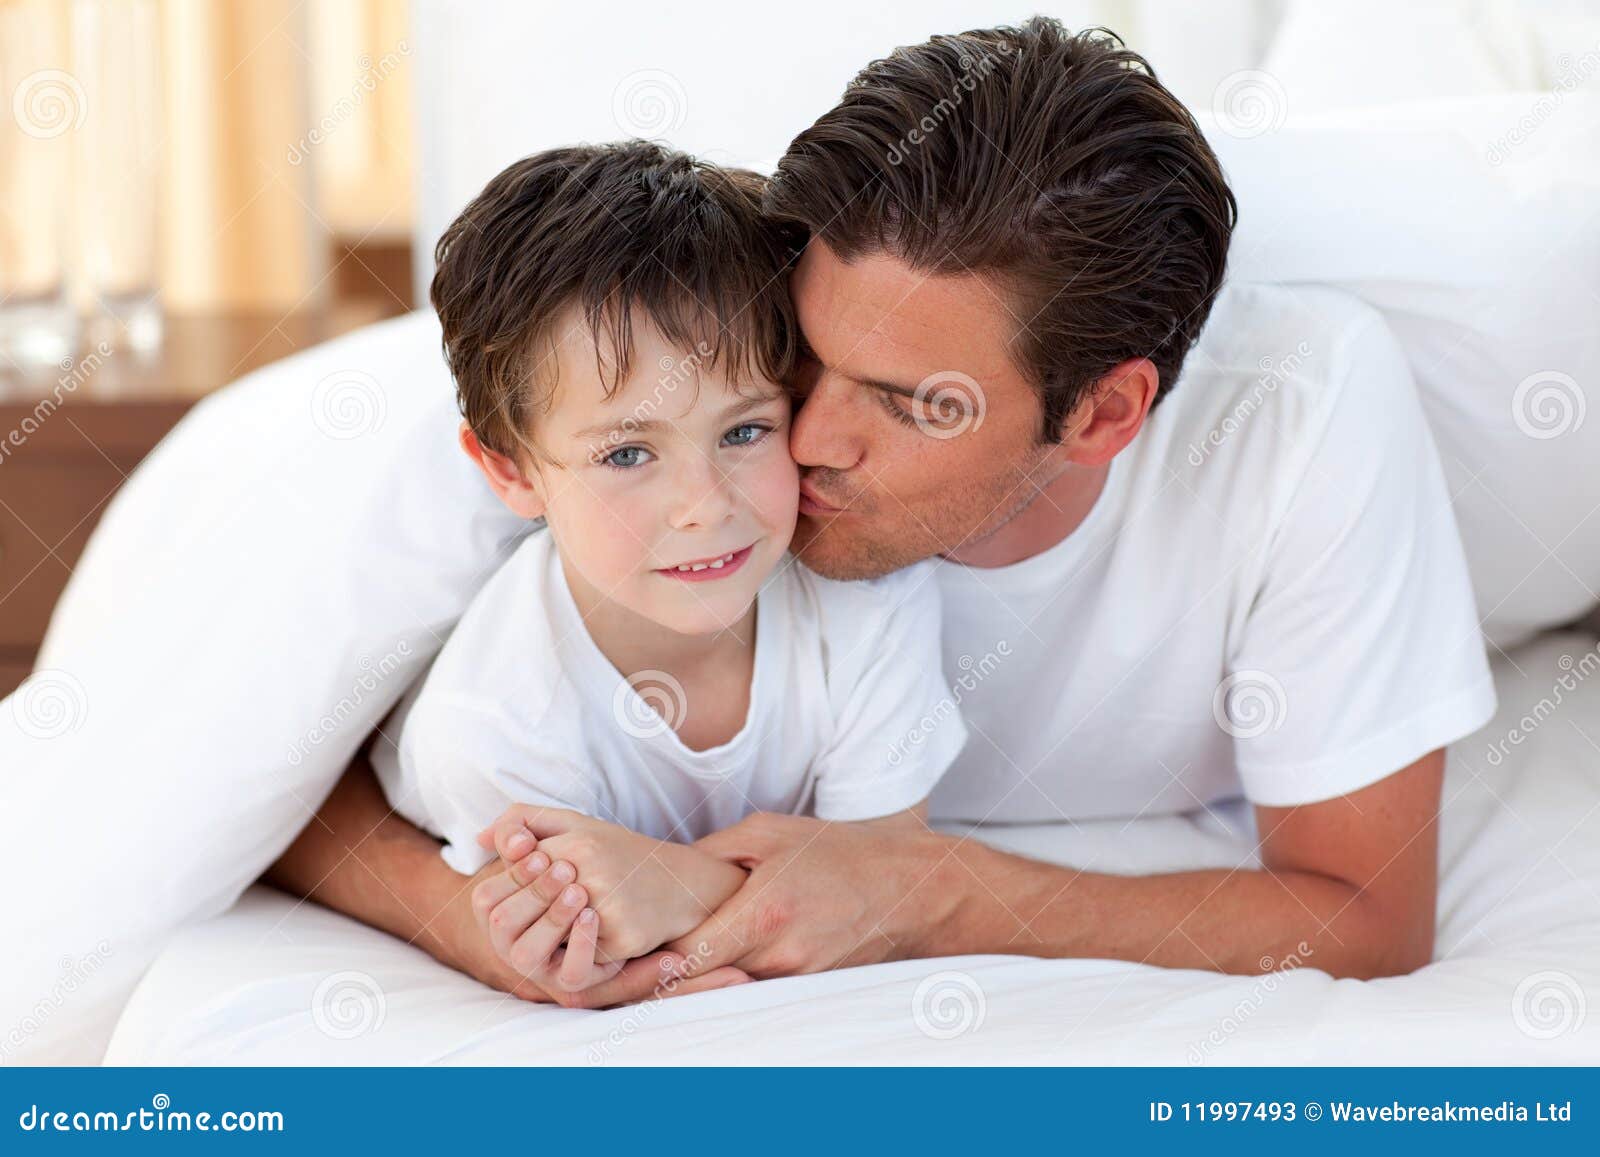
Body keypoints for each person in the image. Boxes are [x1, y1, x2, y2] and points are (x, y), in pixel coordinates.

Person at [268, 18, 1495, 1004]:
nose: (796, 443)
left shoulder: (1296, 411)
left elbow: (1366, 913)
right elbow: (265, 765)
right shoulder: (652, 396)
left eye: (911, 403)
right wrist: (480, 923)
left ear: (1103, 416)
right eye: (805, 357)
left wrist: (928, 889)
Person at [368, 141, 965, 998]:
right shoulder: (492, 724)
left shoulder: (869, 597)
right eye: (627, 453)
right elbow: (603, 970)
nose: (704, 505)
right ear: (512, 471)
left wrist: (676, 884)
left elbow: (881, 890)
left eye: (744, 431)